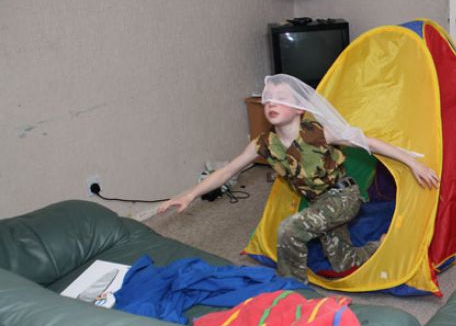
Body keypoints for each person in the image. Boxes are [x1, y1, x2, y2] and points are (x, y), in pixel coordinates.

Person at [158, 74, 439, 283]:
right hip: (318, 204)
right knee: (343, 263)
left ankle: (292, 291)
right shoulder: (263, 144)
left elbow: (369, 142)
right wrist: (189, 194)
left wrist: (413, 164)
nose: (273, 103)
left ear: (299, 109)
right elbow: (226, 171)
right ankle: (378, 244)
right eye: (269, 99)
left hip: (343, 197)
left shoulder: (317, 133)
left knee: (290, 229)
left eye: (282, 99)